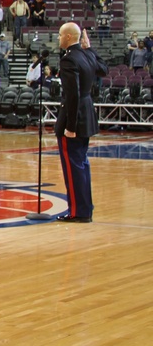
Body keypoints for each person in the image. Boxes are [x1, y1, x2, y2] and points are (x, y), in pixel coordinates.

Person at [55, 24, 106, 223]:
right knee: (82, 164)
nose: (58, 38)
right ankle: (85, 208)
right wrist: (90, 48)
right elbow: (103, 69)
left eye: (60, 35)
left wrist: (70, 127)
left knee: (73, 167)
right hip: (87, 113)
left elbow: (72, 95)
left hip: (74, 118)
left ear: (68, 37)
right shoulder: (87, 55)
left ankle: (78, 212)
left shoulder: (69, 59)